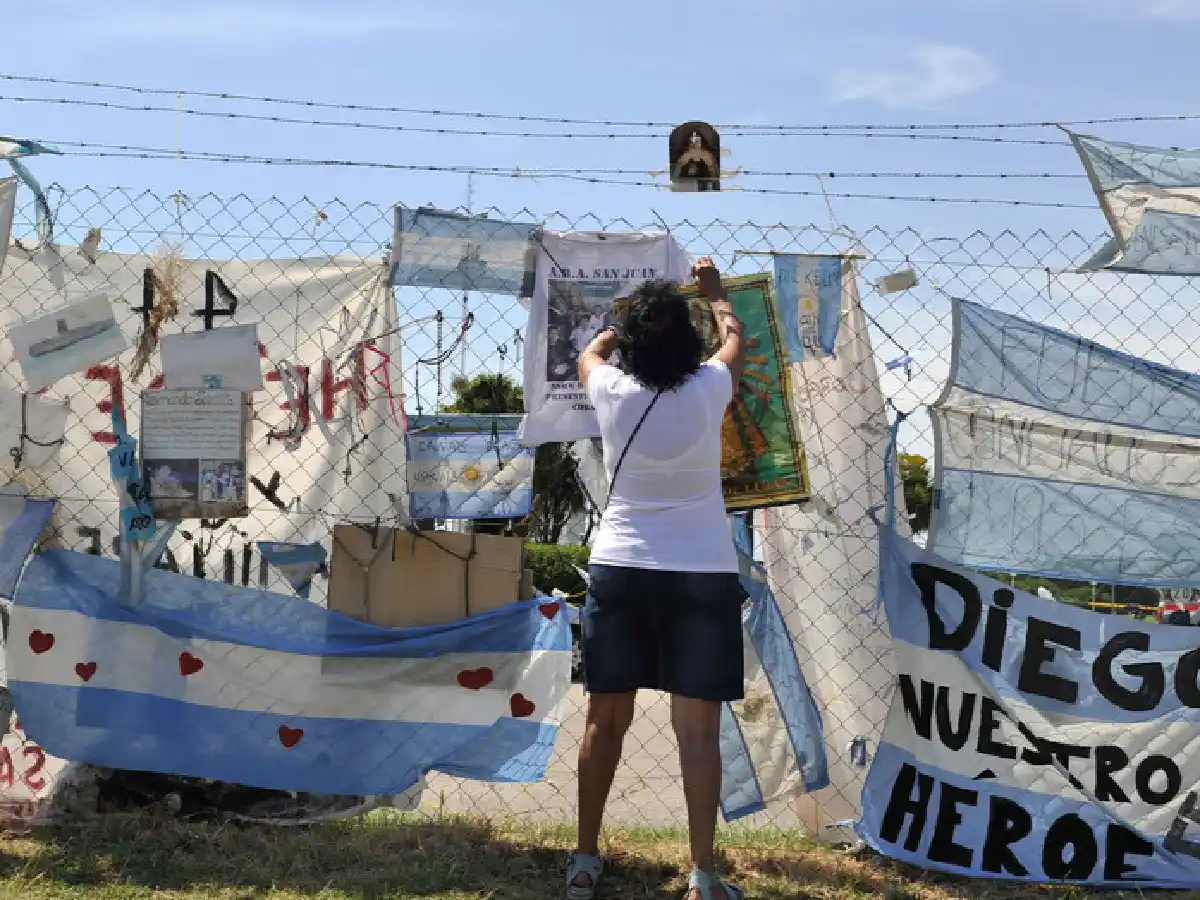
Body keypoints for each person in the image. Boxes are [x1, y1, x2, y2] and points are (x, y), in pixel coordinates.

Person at [566, 258, 746, 900]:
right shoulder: (709, 387)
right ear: (687, 342)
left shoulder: (612, 388)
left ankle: (585, 862)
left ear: (636, 344)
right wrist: (715, 294)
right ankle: (702, 875)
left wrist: (624, 322)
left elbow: (594, 348)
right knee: (697, 732)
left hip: (622, 569)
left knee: (603, 721)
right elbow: (735, 339)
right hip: (701, 571)